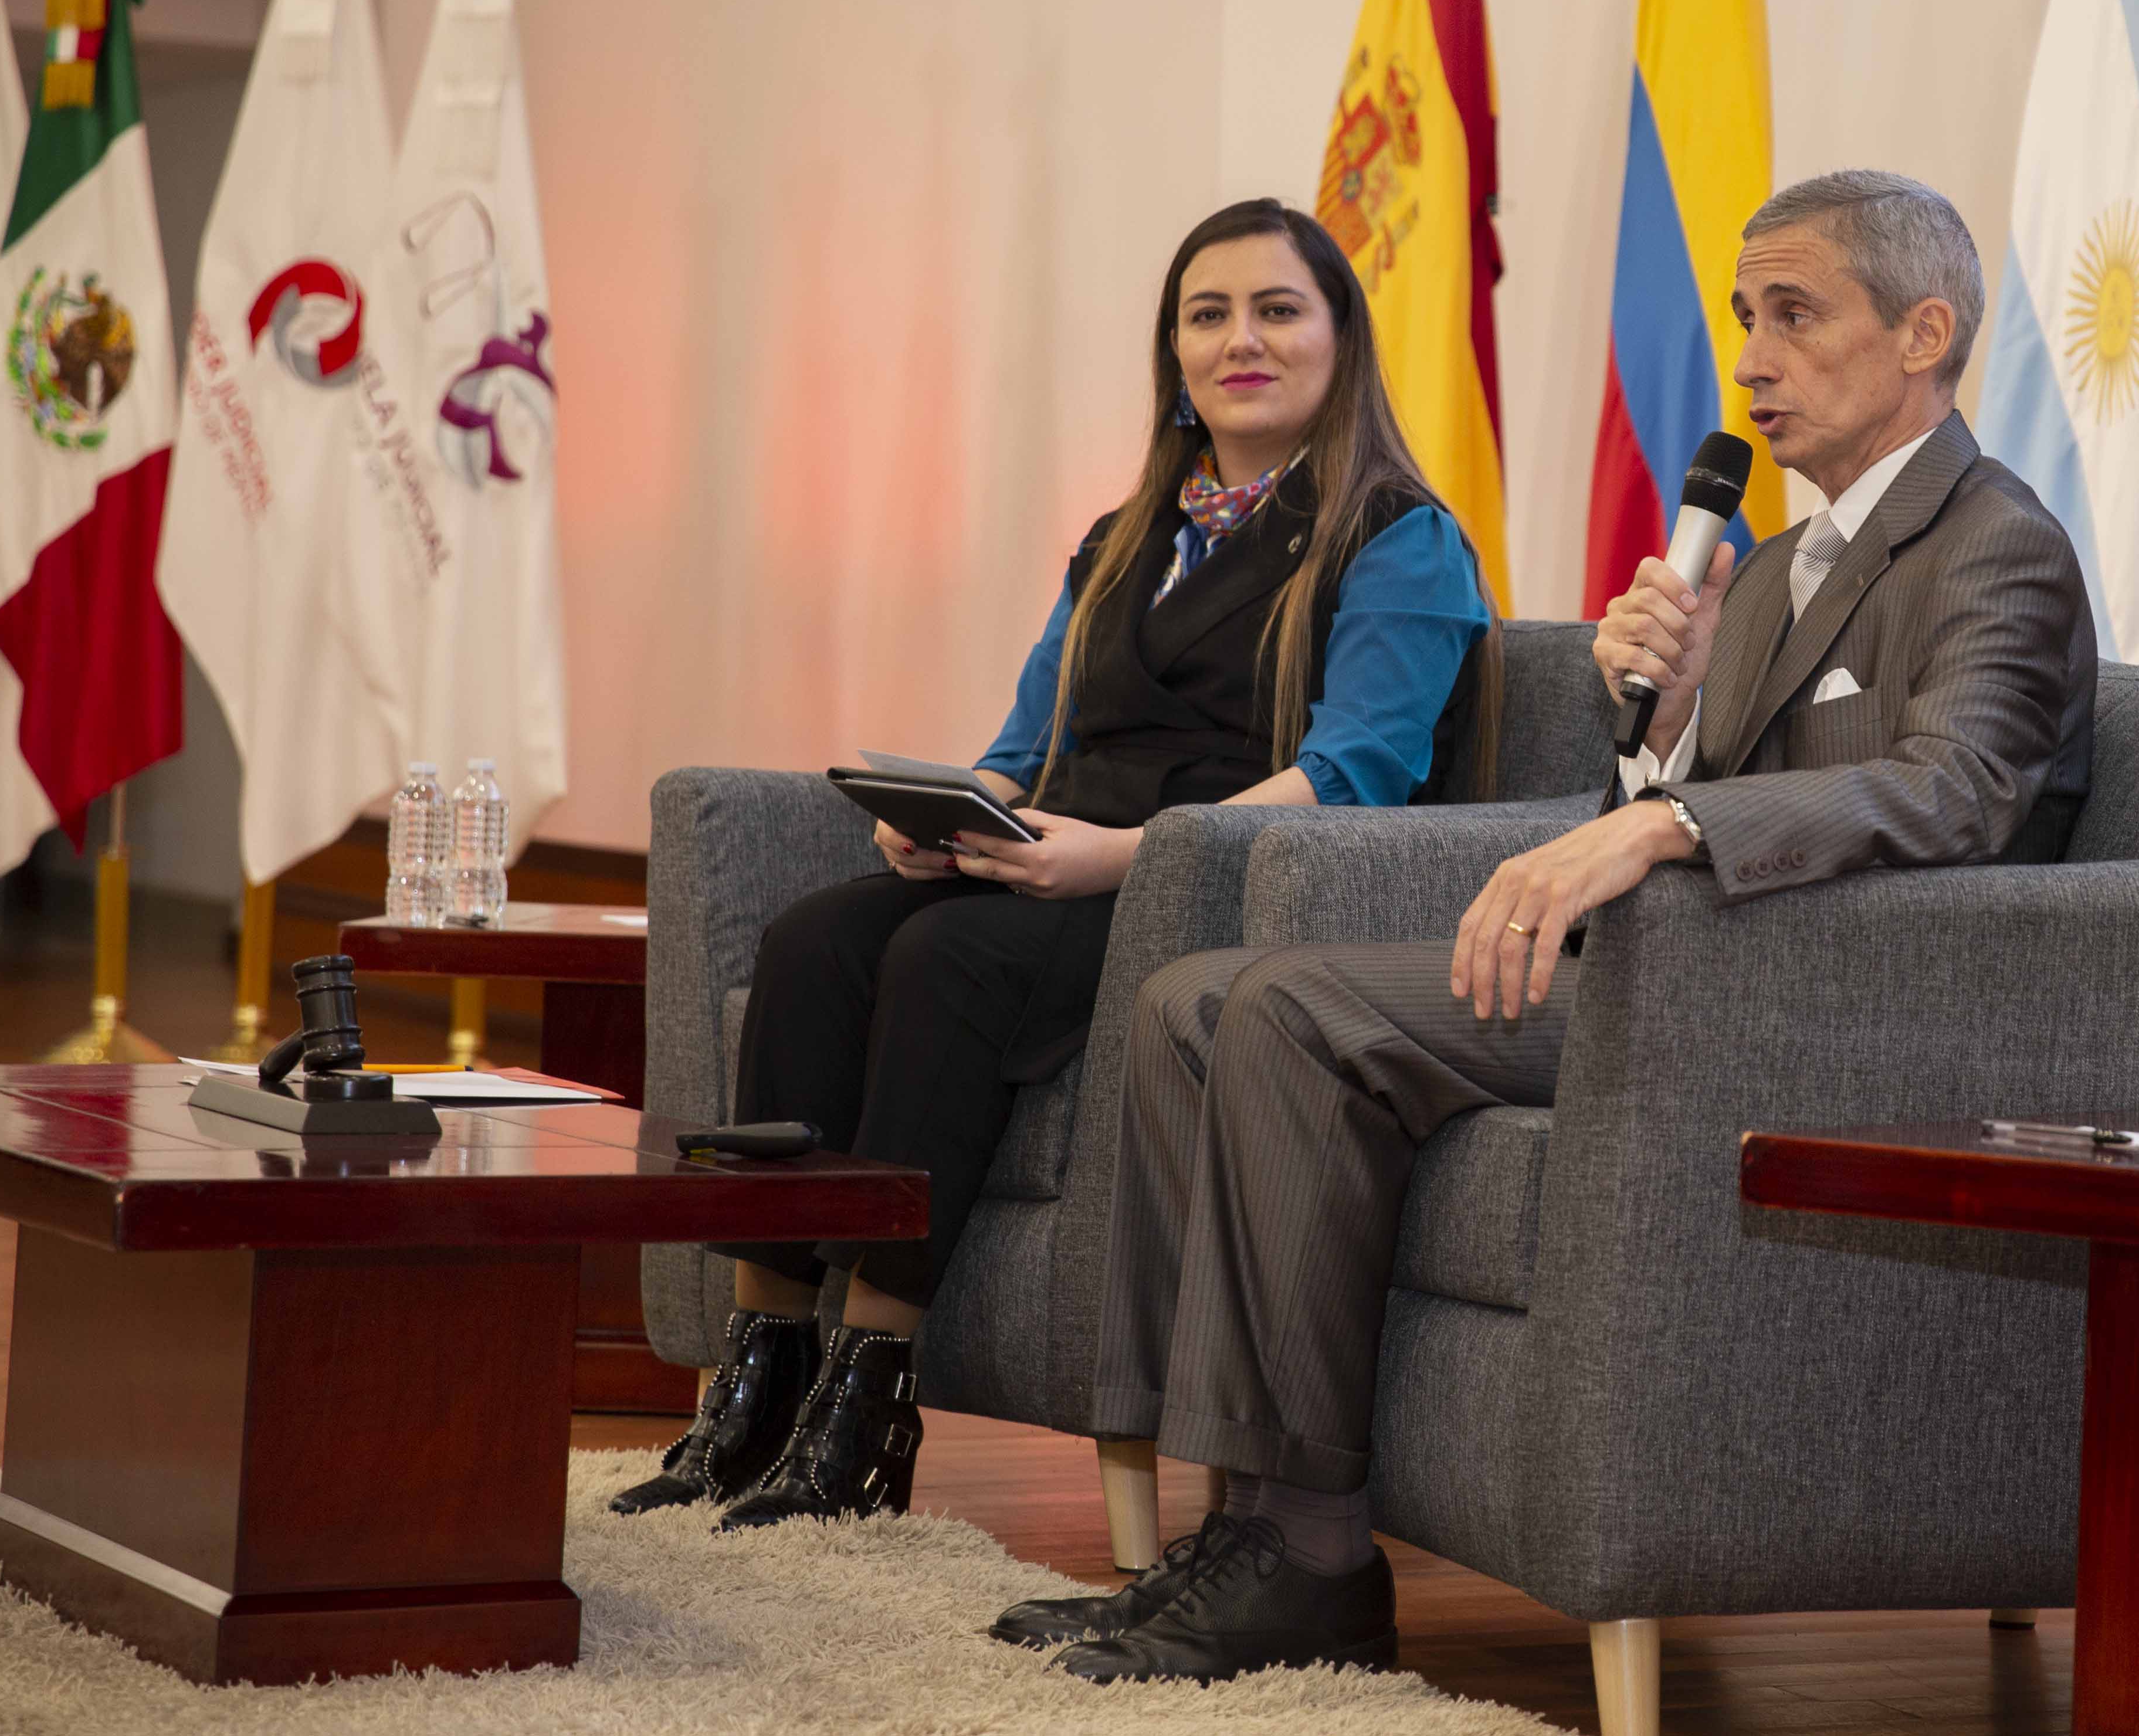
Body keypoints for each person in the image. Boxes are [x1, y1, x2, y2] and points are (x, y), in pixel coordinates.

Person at [1008, 169, 2096, 1679]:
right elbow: (1690, 791)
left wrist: (1663, 817)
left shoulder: (1994, 542)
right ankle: (1241, 1522)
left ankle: (1312, 1551)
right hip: (1695, 976)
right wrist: (1664, 727)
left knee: (1293, 1010)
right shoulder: (1774, 562)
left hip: (1835, 1014)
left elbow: (1961, 789)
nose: (1752, 359)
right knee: (1195, 998)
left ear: (1924, 333)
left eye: (1795, 315)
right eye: (1741, 318)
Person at [609, 198, 1501, 1531]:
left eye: (1276, 309)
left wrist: (1125, 860)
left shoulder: (1397, 537)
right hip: (1057, 854)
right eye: (1208, 314)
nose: (1238, 339)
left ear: (1338, 339)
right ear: (1175, 352)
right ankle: (762, 1373)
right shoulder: (1120, 538)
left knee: (946, 955)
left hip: (1208, 886)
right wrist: (945, 811)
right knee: (812, 941)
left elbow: (1355, 773)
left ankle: (868, 1395)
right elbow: (1027, 744)